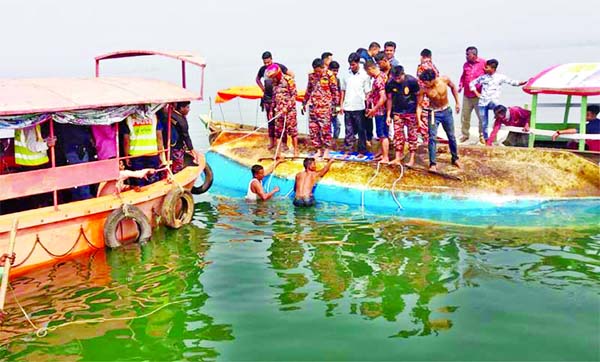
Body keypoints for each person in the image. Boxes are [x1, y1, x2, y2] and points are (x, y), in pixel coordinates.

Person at [469, 59, 527, 143]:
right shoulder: (483, 77)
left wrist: (522, 83)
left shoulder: (500, 77)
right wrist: (476, 92)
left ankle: (494, 137)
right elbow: (471, 83)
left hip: (493, 101)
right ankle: (486, 139)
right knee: (484, 123)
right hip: (483, 102)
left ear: (493, 68)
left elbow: (511, 82)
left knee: (499, 114)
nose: (485, 68)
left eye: (487, 67)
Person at [417, 69, 461, 171]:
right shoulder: (424, 90)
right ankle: (433, 164)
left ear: (432, 80)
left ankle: (455, 158)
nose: (424, 84)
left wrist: (457, 102)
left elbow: (453, 87)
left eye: (426, 82)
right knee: (432, 138)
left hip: (446, 111)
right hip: (433, 113)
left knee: (451, 136)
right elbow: (419, 105)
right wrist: (418, 120)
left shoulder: (444, 80)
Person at [303, 58, 339, 159]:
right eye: (316, 71)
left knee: (325, 130)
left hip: (325, 107)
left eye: (319, 71)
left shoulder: (329, 75)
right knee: (314, 129)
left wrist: (336, 106)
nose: (318, 73)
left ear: (323, 67)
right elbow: (309, 90)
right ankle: (319, 150)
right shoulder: (311, 76)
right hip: (313, 106)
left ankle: (327, 150)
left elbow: (335, 91)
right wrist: (304, 102)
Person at [256, 51, 293, 149]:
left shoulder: (278, 67)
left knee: (281, 120)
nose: (267, 65)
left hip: (279, 97)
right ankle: (272, 142)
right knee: (270, 121)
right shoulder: (263, 69)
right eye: (265, 63)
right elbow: (257, 79)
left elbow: (292, 74)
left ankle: (284, 143)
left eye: (268, 62)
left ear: (271, 59)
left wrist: (286, 85)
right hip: (268, 98)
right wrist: (262, 88)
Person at [386, 66, 420, 166]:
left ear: (403, 74)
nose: (397, 80)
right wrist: (388, 115)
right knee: (398, 136)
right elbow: (389, 99)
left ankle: (412, 158)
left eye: (398, 78)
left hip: (411, 112)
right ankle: (397, 157)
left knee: (412, 135)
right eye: (395, 78)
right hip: (397, 113)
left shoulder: (412, 81)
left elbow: (419, 97)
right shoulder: (390, 83)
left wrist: (419, 114)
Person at [121, 108, 164, 187]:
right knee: (153, 178)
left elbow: (126, 141)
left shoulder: (128, 118)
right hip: (152, 153)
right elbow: (159, 137)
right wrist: (161, 154)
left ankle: (143, 194)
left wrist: (126, 157)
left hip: (136, 155)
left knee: (139, 179)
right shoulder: (154, 117)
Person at [340, 53, 371, 156]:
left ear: (358, 63)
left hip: (360, 106)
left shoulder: (365, 75)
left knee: (361, 130)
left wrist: (368, 107)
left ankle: (362, 150)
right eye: (350, 64)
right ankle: (348, 150)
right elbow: (343, 91)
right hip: (348, 106)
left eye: (353, 64)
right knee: (348, 130)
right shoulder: (345, 75)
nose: (351, 66)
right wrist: (341, 105)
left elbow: (367, 93)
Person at [55, 123, 95, 200]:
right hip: (77, 149)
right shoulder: (73, 121)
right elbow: (80, 135)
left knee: (75, 177)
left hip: (69, 149)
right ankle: (85, 197)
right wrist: (89, 138)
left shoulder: (63, 120)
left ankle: (78, 197)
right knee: (82, 175)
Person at [266, 64, 299, 158]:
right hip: (278, 111)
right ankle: (278, 152)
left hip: (289, 111)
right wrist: (271, 110)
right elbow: (274, 97)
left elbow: (294, 95)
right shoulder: (274, 83)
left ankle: (296, 150)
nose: (273, 79)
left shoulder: (289, 80)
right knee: (278, 132)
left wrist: (287, 107)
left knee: (293, 131)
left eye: (274, 77)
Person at [458, 46, 486, 143]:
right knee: (465, 116)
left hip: (479, 95)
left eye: (467, 54)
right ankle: (465, 134)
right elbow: (463, 76)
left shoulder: (483, 63)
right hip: (467, 95)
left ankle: (482, 135)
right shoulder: (465, 65)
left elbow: (489, 75)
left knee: (481, 116)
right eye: (466, 54)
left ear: (474, 54)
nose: (466, 56)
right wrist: (461, 85)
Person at [365, 60, 389, 162]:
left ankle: (385, 157)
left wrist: (374, 109)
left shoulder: (379, 79)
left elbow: (383, 97)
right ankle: (381, 153)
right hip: (381, 110)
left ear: (370, 69)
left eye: (367, 72)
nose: (368, 74)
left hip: (381, 111)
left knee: (383, 134)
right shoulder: (383, 76)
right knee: (381, 134)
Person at [169, 101, 201, 173]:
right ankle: (176, 175)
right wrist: (192, 150)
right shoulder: (181, 121)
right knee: (177, 164)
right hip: (176, 146)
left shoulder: (172, 114)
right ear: (181, 108)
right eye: (187, 107)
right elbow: (186, 136)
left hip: (172, 144)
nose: (189, 109)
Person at [416, 48, 440, 144]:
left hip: (424, 97)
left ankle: (426, 141)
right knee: (431, 119)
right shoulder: (434, 67)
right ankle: (430, 139)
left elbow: (420, 84)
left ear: (422, 57)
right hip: (434, 96)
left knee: (424, 119)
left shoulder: (422, 67)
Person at [328, 61, 342, 142]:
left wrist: (339, 105)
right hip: (326, 105)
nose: (335, 73)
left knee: (337, 124)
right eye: (334, 70)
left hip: (334, 105)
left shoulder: (338, 80)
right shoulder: (325, 80)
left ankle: (335, 140)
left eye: (337, 71)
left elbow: (339, 93)